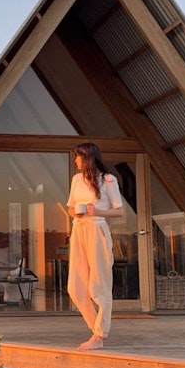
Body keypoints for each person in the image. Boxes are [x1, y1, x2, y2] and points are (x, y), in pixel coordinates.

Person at [67, 142, 124, 351]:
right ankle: (97, 330)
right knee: (75, 287)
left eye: (78, 157)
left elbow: (119, 211)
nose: (75, 161)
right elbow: (71, 208)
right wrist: (77, 213)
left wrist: (97, 212)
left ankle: (99, 335)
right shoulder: (76, 180)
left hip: (97, 230)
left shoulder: (108, 180)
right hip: (78, 229)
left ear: (87, 158)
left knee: (98, 286)